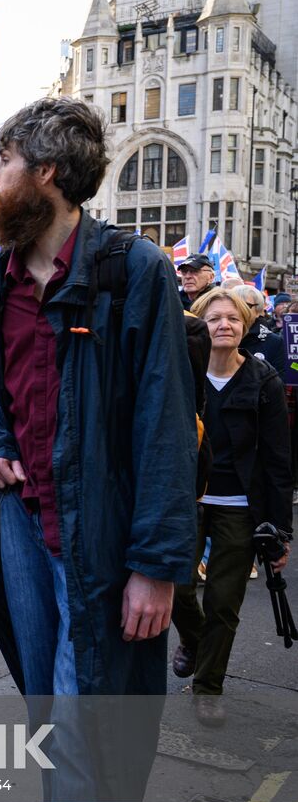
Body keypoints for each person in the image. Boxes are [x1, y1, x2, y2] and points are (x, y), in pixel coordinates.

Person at [0, 98, 197, 802]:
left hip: (100, 544)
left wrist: (158, 565)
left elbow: (165, 422)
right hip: (24, 533)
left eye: (2, 161)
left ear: (48, 176)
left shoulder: (132, 271)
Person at [172, 287, 291, 726]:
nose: (224, 325)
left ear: (246, 326)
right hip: (185, 500)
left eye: (234, 318)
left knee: (224, 601)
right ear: (199, 326)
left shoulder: (264, 381)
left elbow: (279, 462)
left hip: (240, 508)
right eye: (215, 318)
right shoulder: (182, 374)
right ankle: (193, 639)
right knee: (177, 586)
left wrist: (280, 531)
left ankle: (207, 687)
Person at [234, 285, 286, 371]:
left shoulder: (274, 342)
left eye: (246, 305)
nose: (239, 309)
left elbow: (280, 380)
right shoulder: (217, 337)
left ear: (258, 311)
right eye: (234, 304)